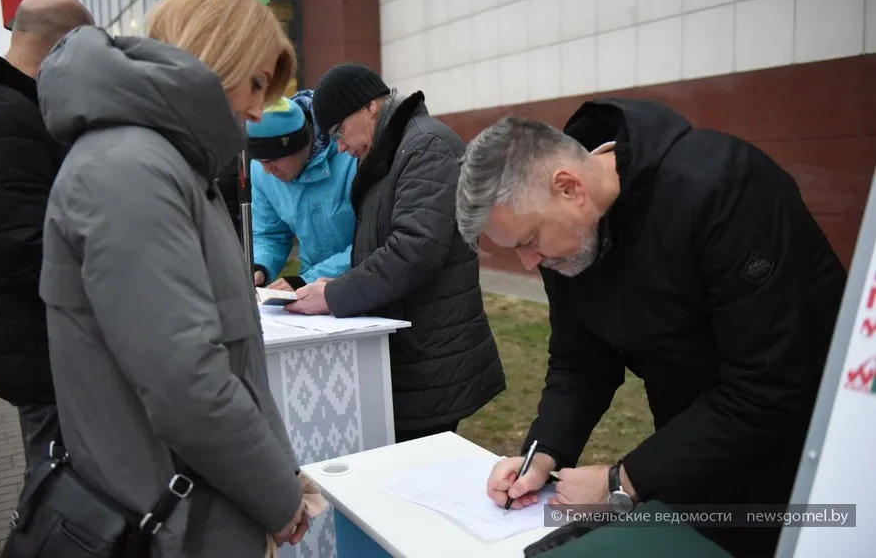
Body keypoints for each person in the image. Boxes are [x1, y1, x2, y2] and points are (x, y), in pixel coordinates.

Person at [454, 99, 848, 558]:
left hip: (811, 467)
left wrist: (621, 482)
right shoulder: (566, 241)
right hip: (697, 457)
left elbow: (768, 384)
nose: (529, 262)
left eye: (527, 242)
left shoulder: (723, 188)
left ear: (568, 187)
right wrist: (542, 454)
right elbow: (580, 362)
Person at [35, 0, 307, 556]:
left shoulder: (161, 164)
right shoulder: (130, 169)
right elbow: (187, 383)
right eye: (257, 82)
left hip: (189, 508)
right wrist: (277, 498)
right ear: (216, 51)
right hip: (172, 522)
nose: (259, 109)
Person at [284, 63, 506, 442]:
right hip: (408, 350)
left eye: (339, 132)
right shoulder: (392, 149)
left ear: (370, 106)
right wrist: (338, 281)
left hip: (431, 356)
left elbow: (413, 250)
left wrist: (333, 296)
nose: (339, 146)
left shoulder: (426, 146)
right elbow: (380, 244)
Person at [0, 0, 94, 476]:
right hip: (44, 352)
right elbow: (24, 248)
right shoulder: (3, 115)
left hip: (34, 346)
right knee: (64, 501)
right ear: (63, 47)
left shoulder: (7, 106)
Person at [249, 90, 356, 290]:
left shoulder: (352, 154)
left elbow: (372, 242)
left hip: (363, 283)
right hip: (310, 289)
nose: (267, 170)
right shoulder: (261, 171)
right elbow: (269, 234)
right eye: (260, 161)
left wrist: (306, 281)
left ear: (302, 143)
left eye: (273, 160)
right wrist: (260, 267)